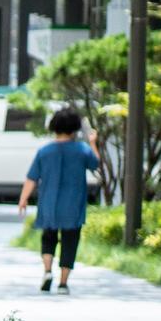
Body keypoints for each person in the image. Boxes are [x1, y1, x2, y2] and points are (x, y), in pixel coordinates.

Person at [17, 105, 101, 294]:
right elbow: (95, 163)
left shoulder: (45, 151)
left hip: (49, 203)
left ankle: (47, 271)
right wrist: (93, 142)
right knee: (70, 240)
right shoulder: (81, 149)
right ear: (74, 128)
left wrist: (23, 199)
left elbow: (31, 178)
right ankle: (63, 283)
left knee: (48, 238)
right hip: (72, 204)